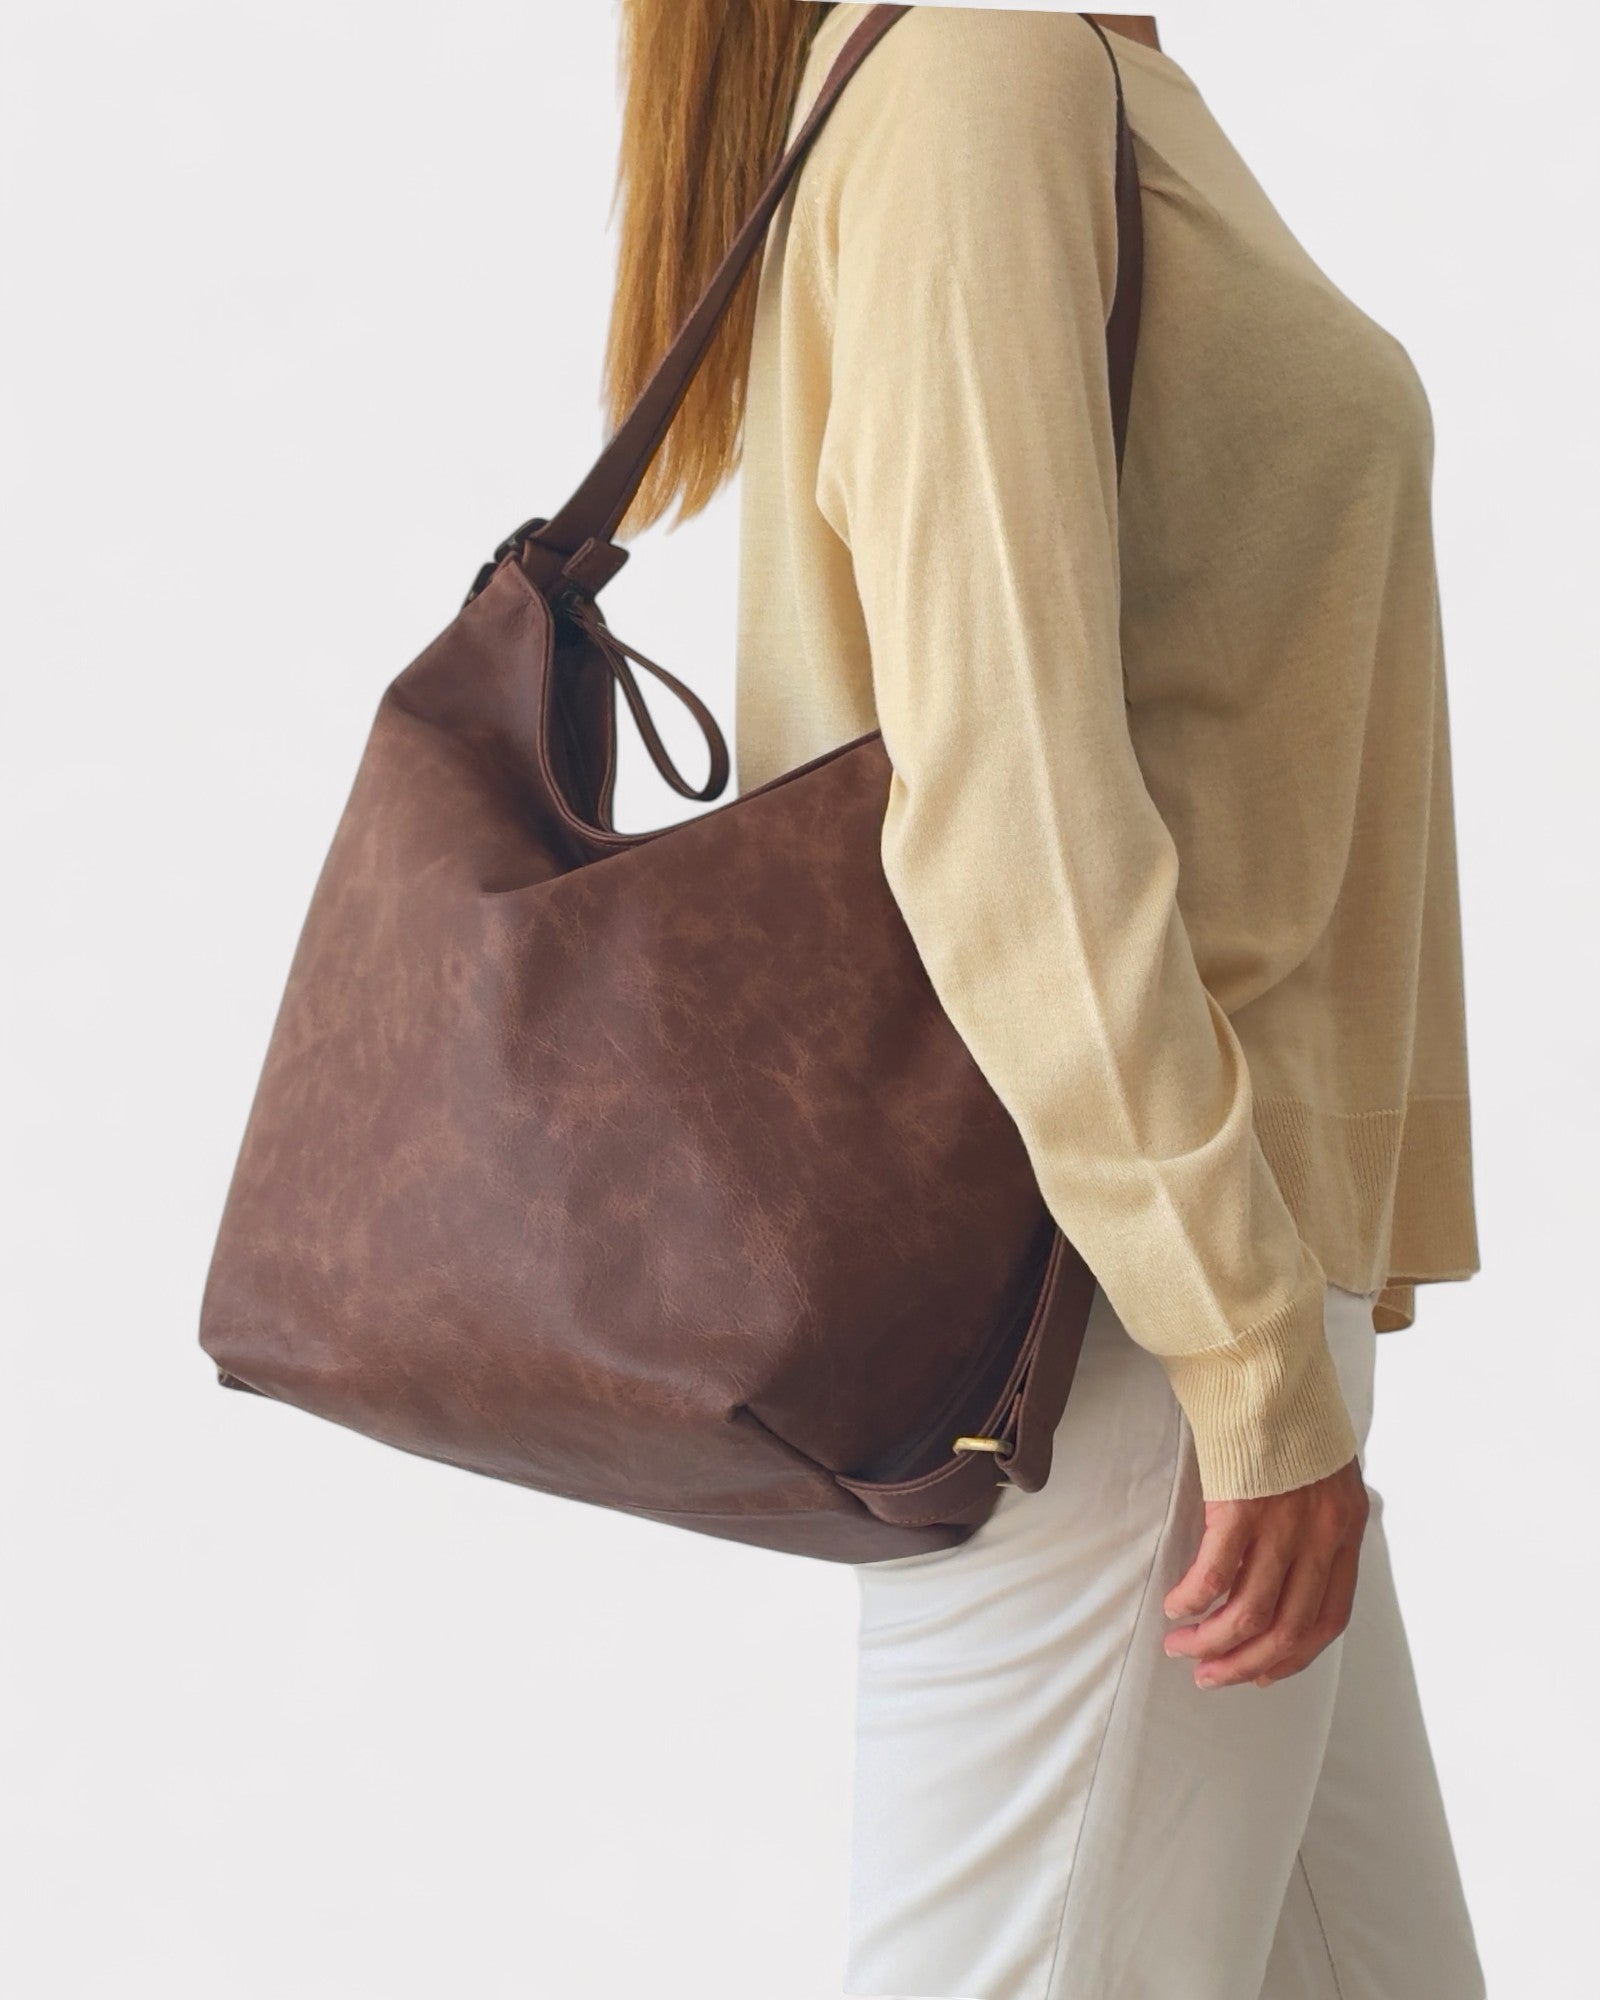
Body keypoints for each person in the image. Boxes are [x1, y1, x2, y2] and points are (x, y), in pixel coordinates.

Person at [602, 5, 1484, 1995]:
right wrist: (1245, 1343)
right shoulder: (980, 72)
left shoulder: (1054, 62)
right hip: (1110, 1296)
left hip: (1170, 1253)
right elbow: (996, 787)